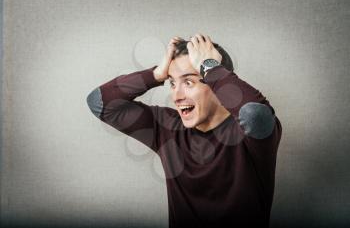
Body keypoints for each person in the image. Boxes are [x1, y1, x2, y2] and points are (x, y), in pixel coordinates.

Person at [86, 33, 282, 228]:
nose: (176, 96)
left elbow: (255, 115)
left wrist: (210, 67)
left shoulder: (248, 134)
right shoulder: (166, 128)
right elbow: (100, 103)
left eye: (188, 82)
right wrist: (156, 74)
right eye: (172, 83)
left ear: (217, 83)